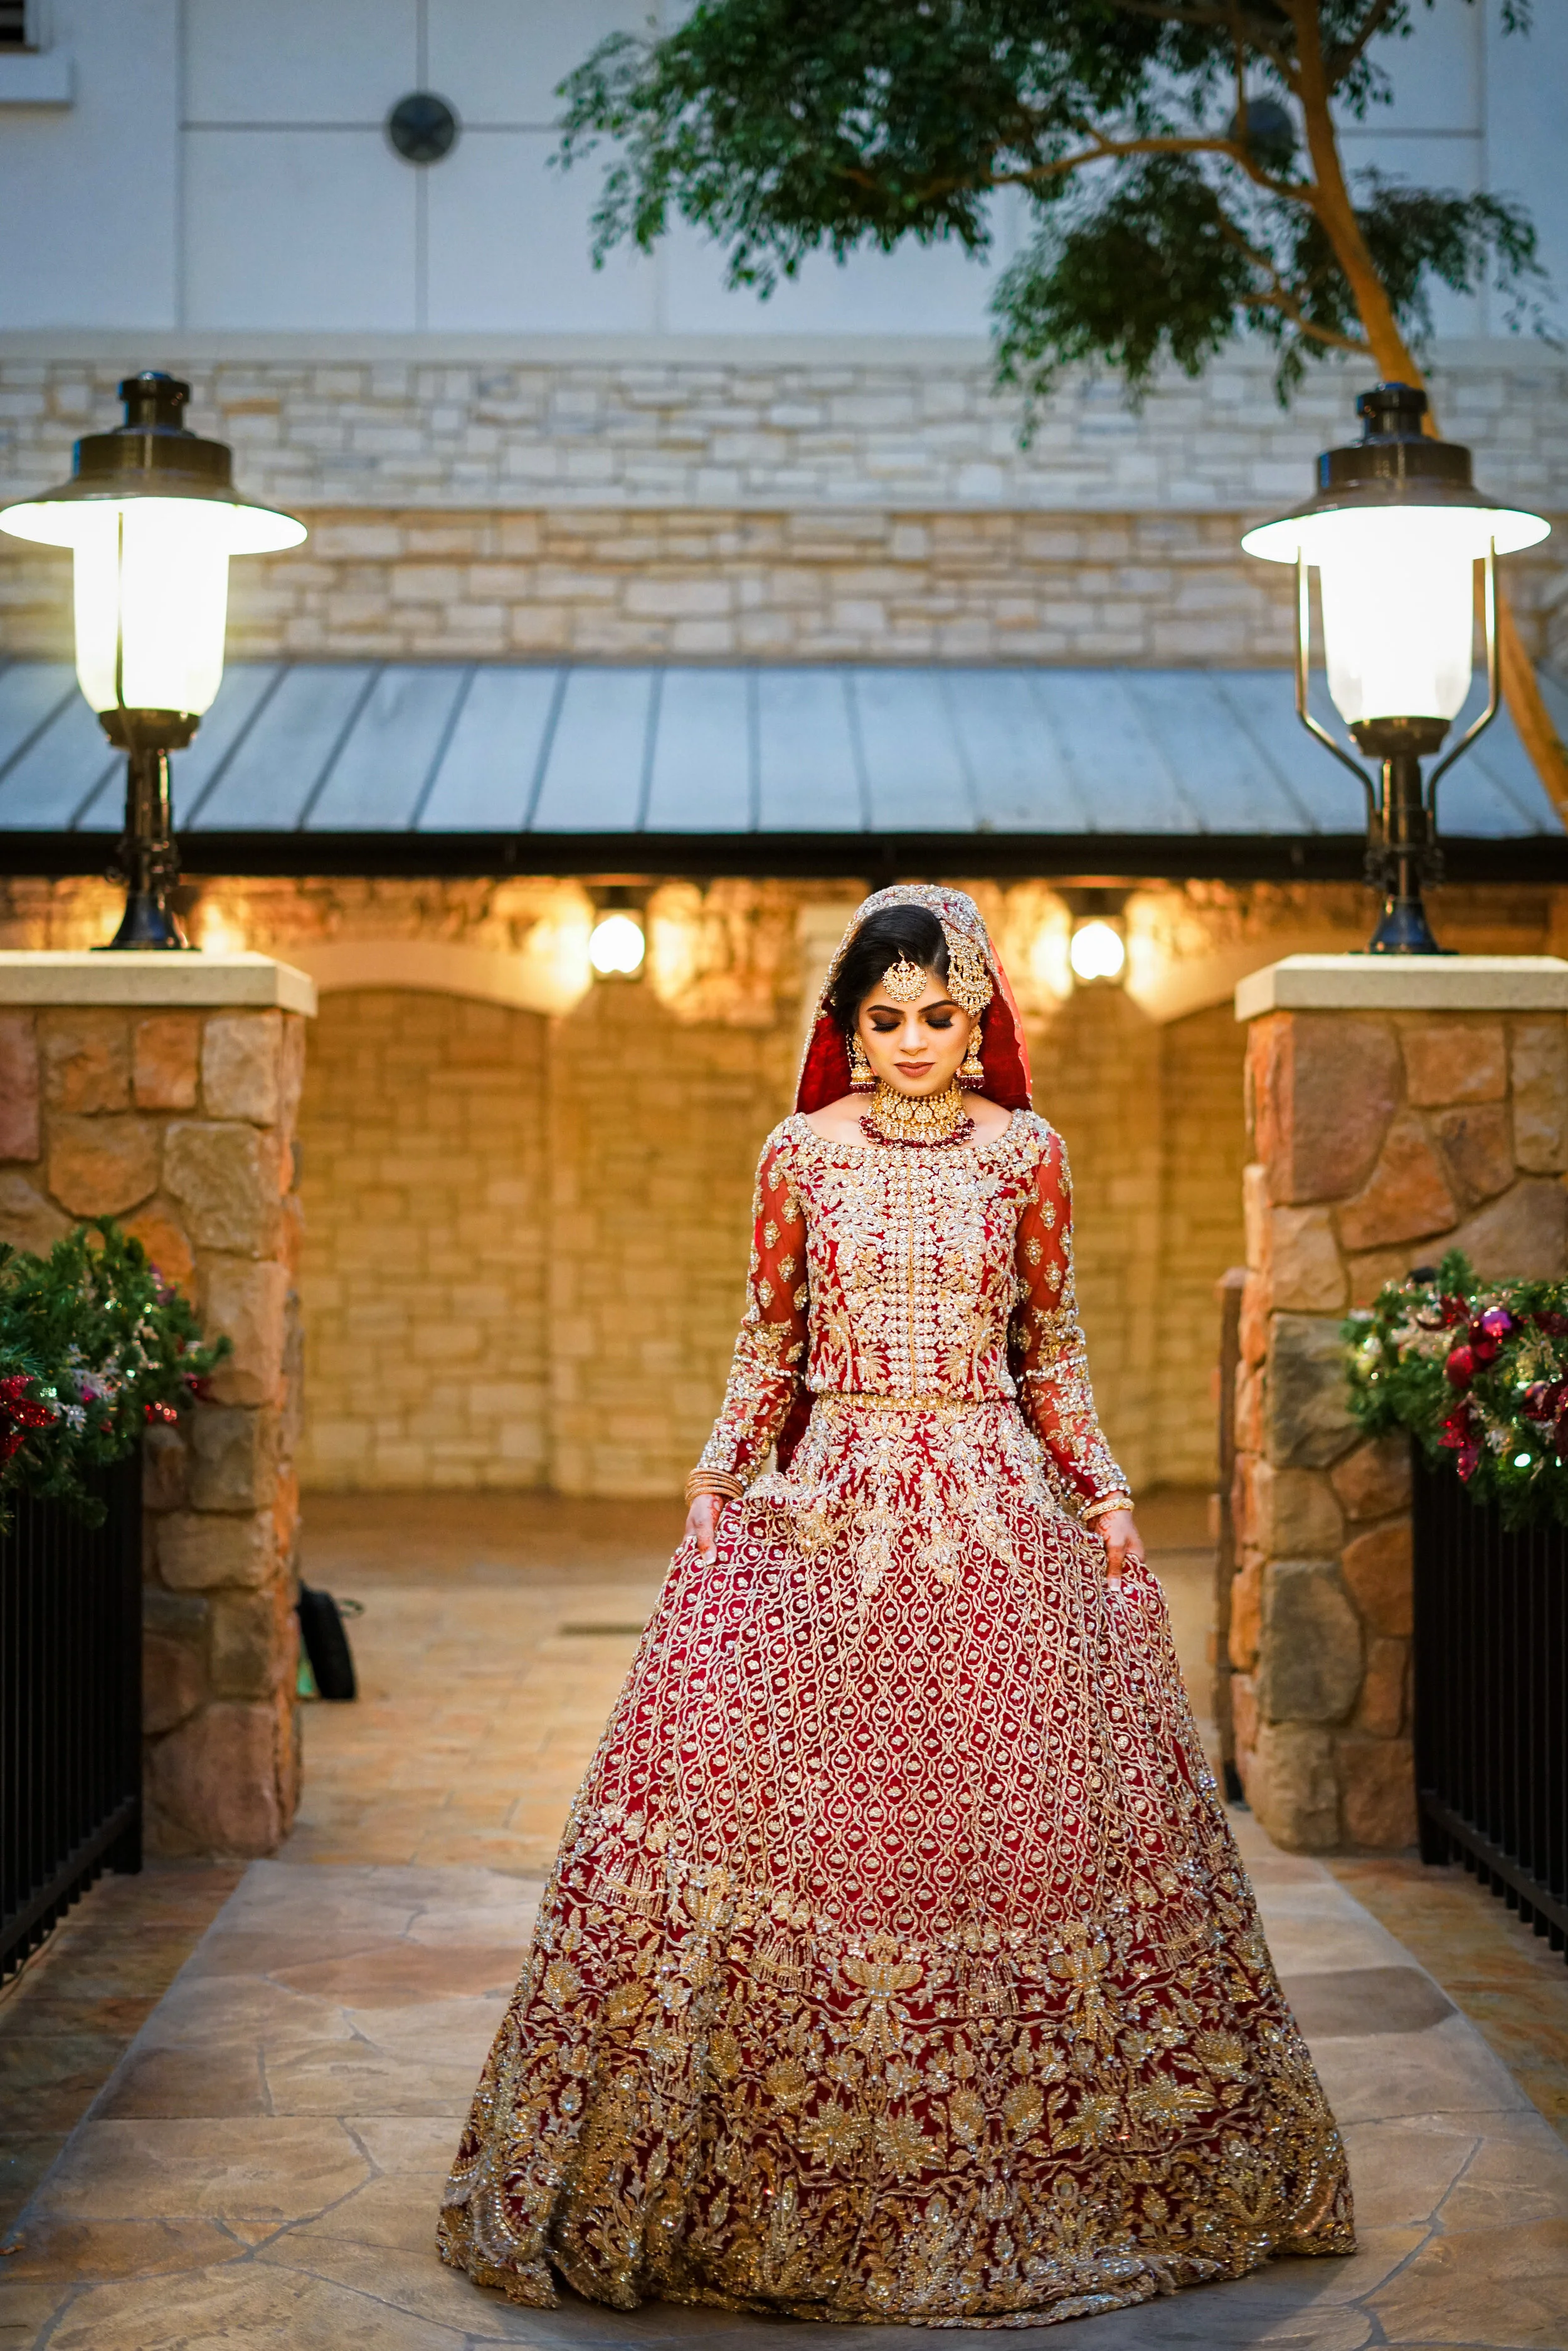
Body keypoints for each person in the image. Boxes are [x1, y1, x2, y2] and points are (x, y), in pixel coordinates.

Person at [438, 883, 1353, 2326]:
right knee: (813, 1826)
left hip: (992, 1506)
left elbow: (1050, 1342)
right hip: (834, 1507)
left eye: (938, 1015)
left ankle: (1021, 2170)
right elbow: (769, 1334)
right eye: (885, 1019)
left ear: (976, 1011)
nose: (915, 1041)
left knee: (1005, 1835)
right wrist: (717, 1475)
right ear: (846, 1027)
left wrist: (1104, 1491)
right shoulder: (799, 1151)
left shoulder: (1025, 1152)